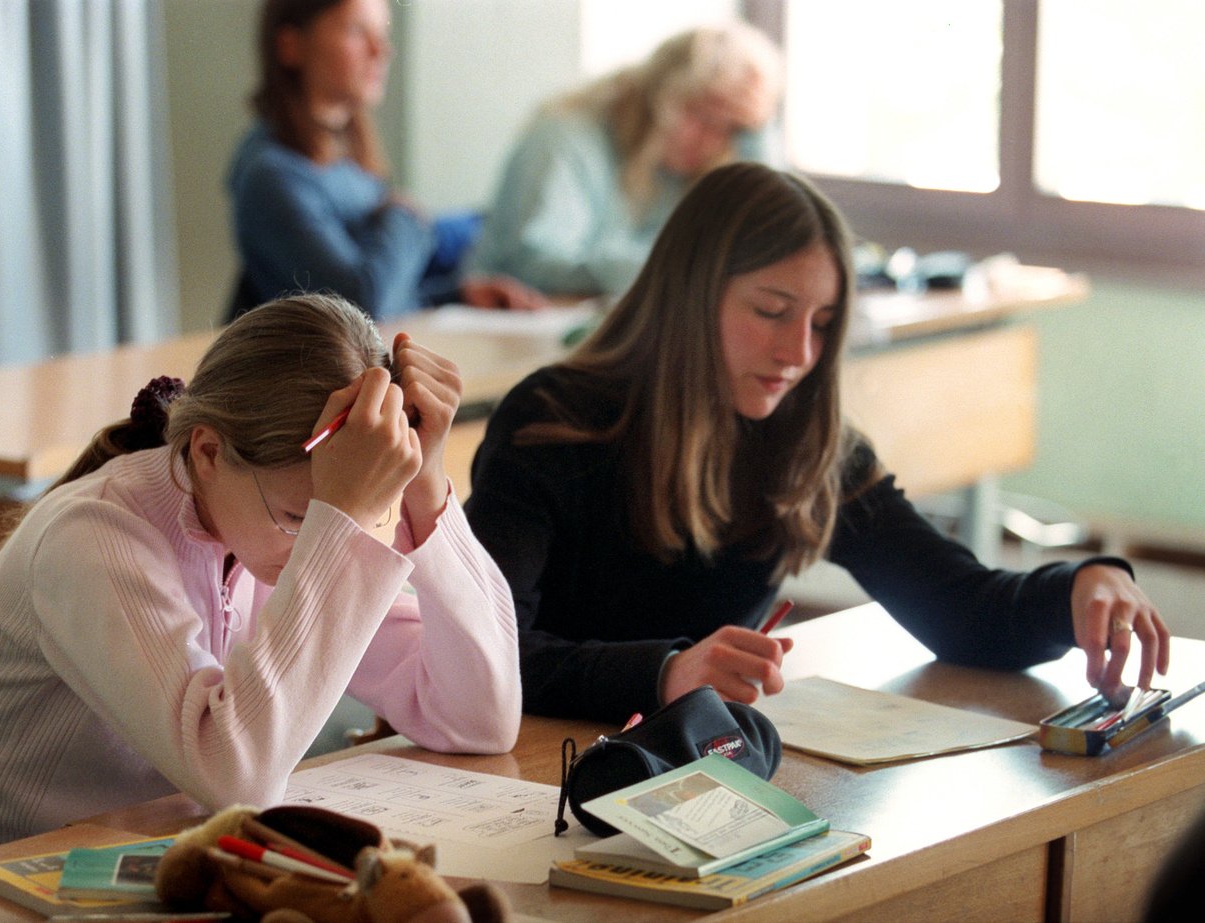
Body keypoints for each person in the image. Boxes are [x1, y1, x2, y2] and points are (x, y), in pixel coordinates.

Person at [463, 162, 1170, 722]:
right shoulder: (554, 423)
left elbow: (960, 606)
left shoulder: (805, 441)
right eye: (771, 312)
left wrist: (1080, 588)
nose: (797, 352)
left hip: (692, 771)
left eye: (823, 322)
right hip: (533, 762)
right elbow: (488, 653)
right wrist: (664, 671)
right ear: (691, 295)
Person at [0, 293, 521, 857]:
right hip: (8, 887)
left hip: (177, 863)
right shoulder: (91, 536)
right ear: (208, 453)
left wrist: (426, 487)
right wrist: (339, 521)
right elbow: (236, 776)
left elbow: (477, 717)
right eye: (299, 517)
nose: (312, 544)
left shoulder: (262, 532)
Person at [227, 0, 543, 322]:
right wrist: (402, 215)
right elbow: (358, 307)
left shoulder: (348, 166)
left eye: (382, 33)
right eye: (356, 31)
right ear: (290, 45)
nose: (381, 51)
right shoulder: (271, 176)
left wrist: (457, 295)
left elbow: (388, 294)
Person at [467, 22, 784, 297]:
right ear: (660, 95)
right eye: (701, 115)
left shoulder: (698, 167)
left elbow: (772, 238)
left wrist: (758, 134)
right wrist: (682, 266)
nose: (711, 140)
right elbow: (535, 264)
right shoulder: (565, 138)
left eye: (731, 129)